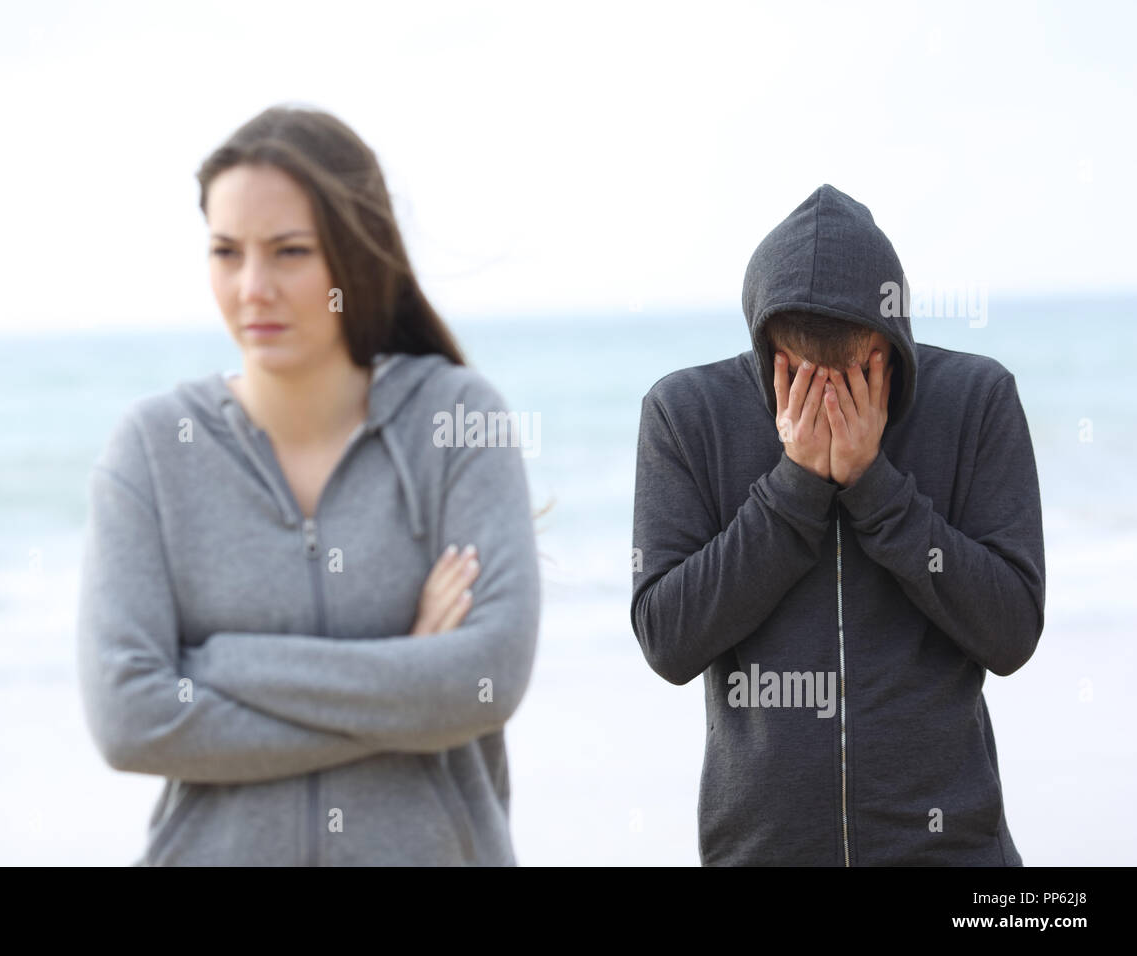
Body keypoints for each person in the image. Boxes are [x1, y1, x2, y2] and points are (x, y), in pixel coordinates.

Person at [76, 105, 541, 866]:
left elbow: (483, 681)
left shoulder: (458, 420)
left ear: (356, 257)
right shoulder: (153, 450)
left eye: (289, 252)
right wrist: (405, 679)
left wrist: (223, 665)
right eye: (226, 252)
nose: (253, 287)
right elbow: (130, 720)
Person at [630, 184, 1045, 866]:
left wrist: (876, 488)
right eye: (800, 375)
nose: (828, 402)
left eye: (853, 374)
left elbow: (1013, 631)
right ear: (768, 354)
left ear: (889, 345)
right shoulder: (686, 414)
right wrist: (794, 487)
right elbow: (667, 640)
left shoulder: (975, 401)